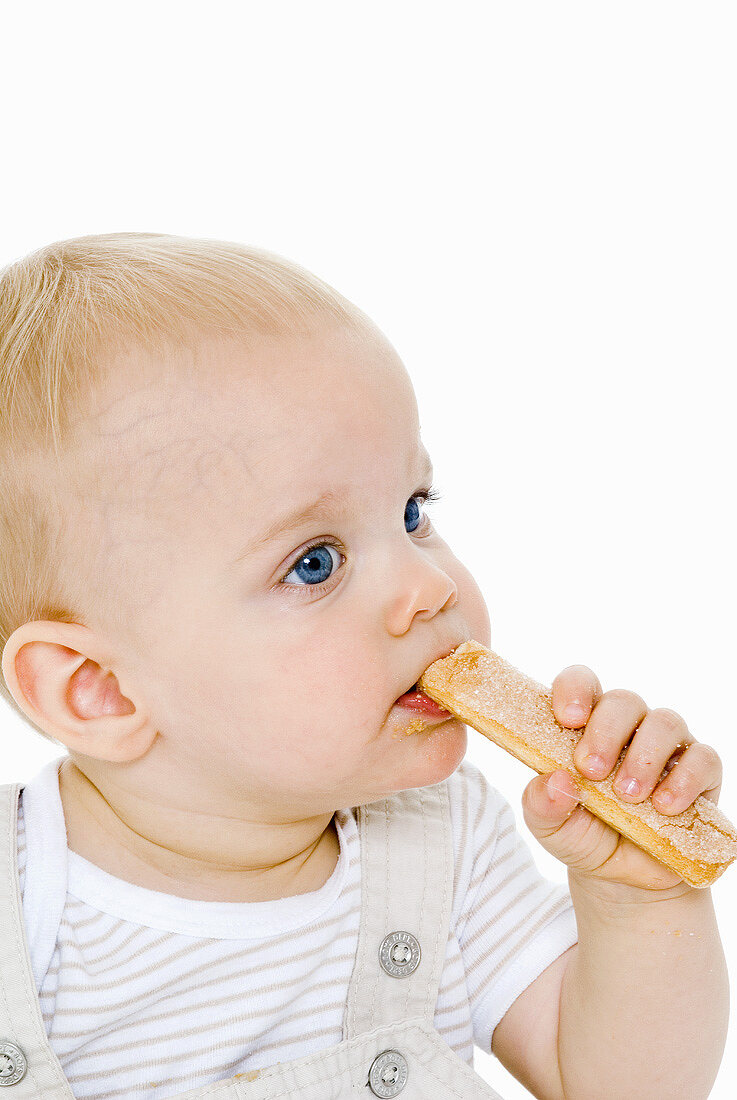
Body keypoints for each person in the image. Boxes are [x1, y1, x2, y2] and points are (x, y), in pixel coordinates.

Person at [0, 233, 728, 1100]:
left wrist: (637, 902)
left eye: (413, 511)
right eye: (315, 562)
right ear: (100, 691)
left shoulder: (444, 837)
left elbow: (618, 1086)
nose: (427, 585)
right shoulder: (25, 908)